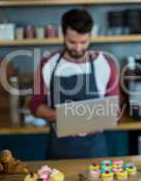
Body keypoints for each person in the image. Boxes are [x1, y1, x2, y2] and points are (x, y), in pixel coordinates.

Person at [30, 9, 119, 159]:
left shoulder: (105, 64)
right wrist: (69, 118)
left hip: (94, 152)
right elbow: (35, 106)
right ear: (63, 35)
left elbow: (114, 108)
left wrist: (92, 121)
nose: (78, 48)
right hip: (58, 151)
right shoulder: (47, 64)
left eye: (83, 42)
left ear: (90, 36)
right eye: (72, 42)